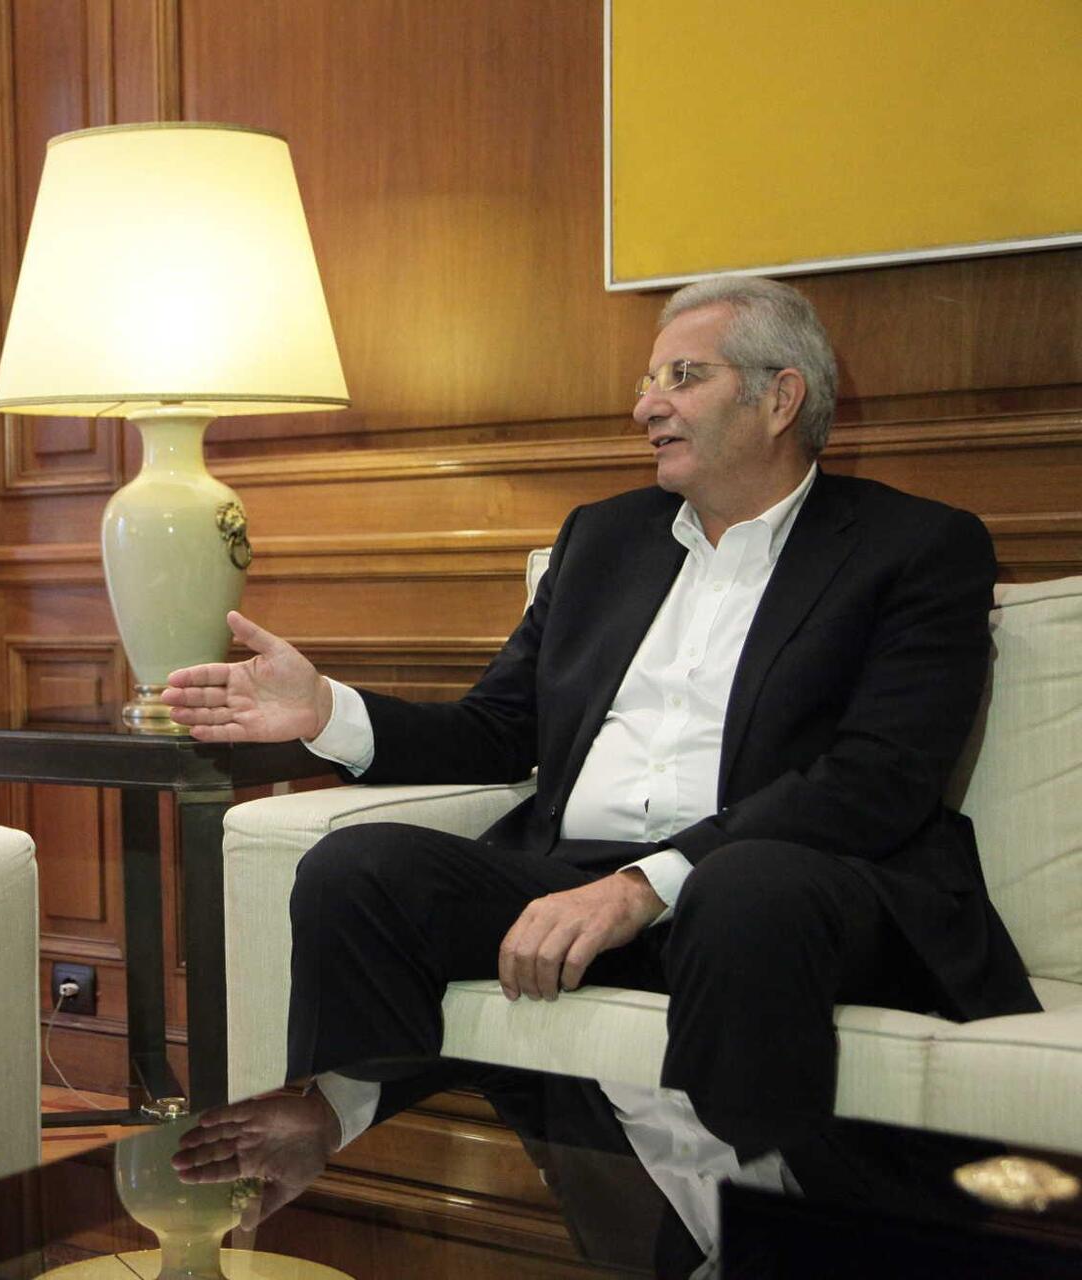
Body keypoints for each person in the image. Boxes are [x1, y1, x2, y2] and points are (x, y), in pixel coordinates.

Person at [159, 275, 1039, 1262]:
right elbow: (500, 730)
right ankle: (346, 1147)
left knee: (743, 892)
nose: (645, 406)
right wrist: (330, 713)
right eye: (646, 381)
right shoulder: (603, 538)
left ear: (780, 397)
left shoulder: (915, 545)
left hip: (786, 886)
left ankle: (782, 1244)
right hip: (579, 877)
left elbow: (879, 778)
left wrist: (642, 886)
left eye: (682, 376)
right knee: (358, 871)